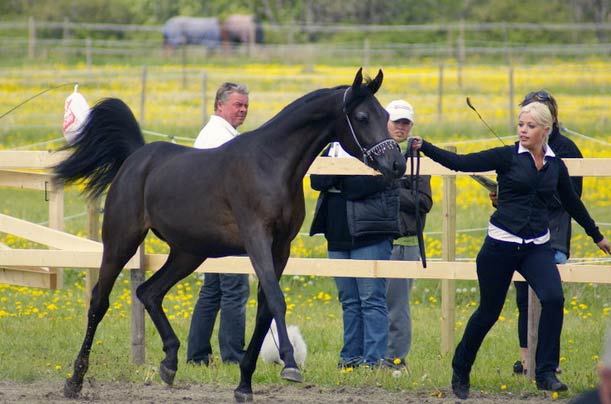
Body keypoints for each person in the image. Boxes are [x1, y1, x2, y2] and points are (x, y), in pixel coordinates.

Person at [409, 102, 611, 399]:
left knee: (554, 299)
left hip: (536, 247)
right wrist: (424, 146)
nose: (523, 130)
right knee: (488, 312)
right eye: (520, 125)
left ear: (546, 130)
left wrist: (597, 236)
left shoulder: (556, 164)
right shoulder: (507, 156)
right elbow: (460, 162)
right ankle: (461, 367)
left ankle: (545, 372)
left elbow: (572, 203)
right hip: (500, 245)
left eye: (530, 126)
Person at [489, 91, 584, 376]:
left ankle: (549, 363)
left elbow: (572, 197)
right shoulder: (516, 151)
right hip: (519, 235)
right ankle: (527, 359)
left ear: (549, 120)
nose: (525, 127)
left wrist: (534, 196)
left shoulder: (565, 150)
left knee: (549, 298)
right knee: (522, 299)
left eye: (533, 119)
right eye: (523, 119)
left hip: (551, 235)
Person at [309, 141, 400, 368]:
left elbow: (368, 185)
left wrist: (337, 174)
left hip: (370, 234)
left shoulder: (379, 148)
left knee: (371, 299)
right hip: (336, 234)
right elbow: (317, 180)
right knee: (349, 301)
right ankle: (350, 358)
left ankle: (374, 360)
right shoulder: (330, 148)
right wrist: (346, 175)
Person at [187, 82, 250, 365]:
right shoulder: (219, 137)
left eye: (246, 105)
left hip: (209, 227)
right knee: (234, 290)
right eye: (238, 105)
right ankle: (233, 357)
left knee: (212, 291)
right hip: (226, 227)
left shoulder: (217, 134)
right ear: (220, 105)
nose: (243, 110)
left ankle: (198, 355)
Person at [383, 100, 433, 369]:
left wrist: (389, 189)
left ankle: (396, 359)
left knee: (397, 305)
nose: (400, 127)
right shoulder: (375, 154)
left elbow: (423, 201)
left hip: (406, 241)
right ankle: (378, 356)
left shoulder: (417, 160)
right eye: (396, 122)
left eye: (405, 123)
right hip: (380, 238)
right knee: (377, 303)